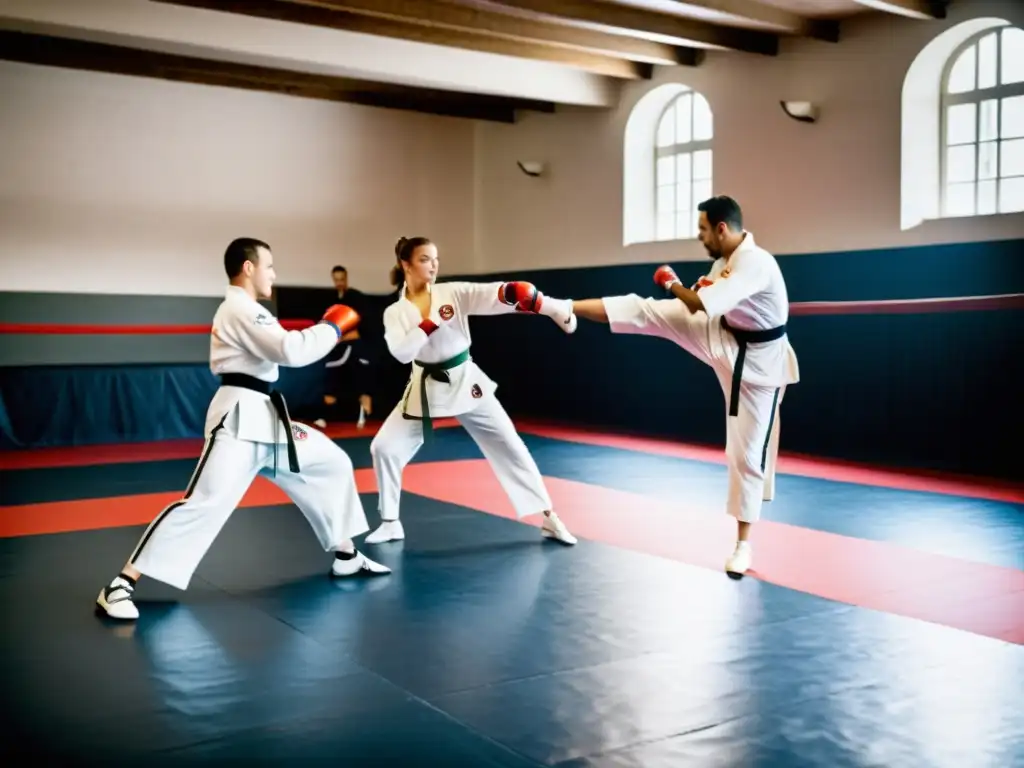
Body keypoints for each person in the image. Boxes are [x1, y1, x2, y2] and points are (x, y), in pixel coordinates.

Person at [95, 238, 391, 621]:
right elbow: (292, 351)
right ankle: (119, 585)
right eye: (269, 266)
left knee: (331, 462)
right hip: (237, 418)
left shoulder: (248, 310)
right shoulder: (239, 308)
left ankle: (347, 555)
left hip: (265, 415)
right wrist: (333, 326)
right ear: (248, 268)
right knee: (205, 501)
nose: (274, 274)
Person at [570, 196, 799, 575]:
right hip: (721, 336)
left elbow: (697, 303)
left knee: (746, 453)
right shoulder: (724, 261)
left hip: (761, 365)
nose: (700, 237)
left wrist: (672, 282)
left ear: (722, 228)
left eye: (703, 230)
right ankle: (563, 307)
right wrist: (678, 290)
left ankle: (743, 545)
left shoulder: (756, 263)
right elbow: (703, 303)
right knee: (647, 310)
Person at [364, 236, 578, 546]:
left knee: (510, 445)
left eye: (436, 259)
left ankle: (549, 517)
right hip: (425, 386)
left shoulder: (452, 292)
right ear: (405, 264)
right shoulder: (395, 312)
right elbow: (401, 353)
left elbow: (491, 295)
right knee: (383, 447)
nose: (434, 265)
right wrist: (429, 324)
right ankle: (390, 521)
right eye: (425, 259)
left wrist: (528, 299)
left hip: (466, 380)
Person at [315, 265, 374, 428]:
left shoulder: (356, 298)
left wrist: (341, 338)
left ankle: (361, 413)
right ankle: (326, 416)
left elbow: (360, 329)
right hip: (338, 347)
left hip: (354, 347)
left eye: (342, 279)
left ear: (346, 278)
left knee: (355, 382)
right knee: (332, 379)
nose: (339, 283)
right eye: (336, 279)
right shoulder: (332, 300)